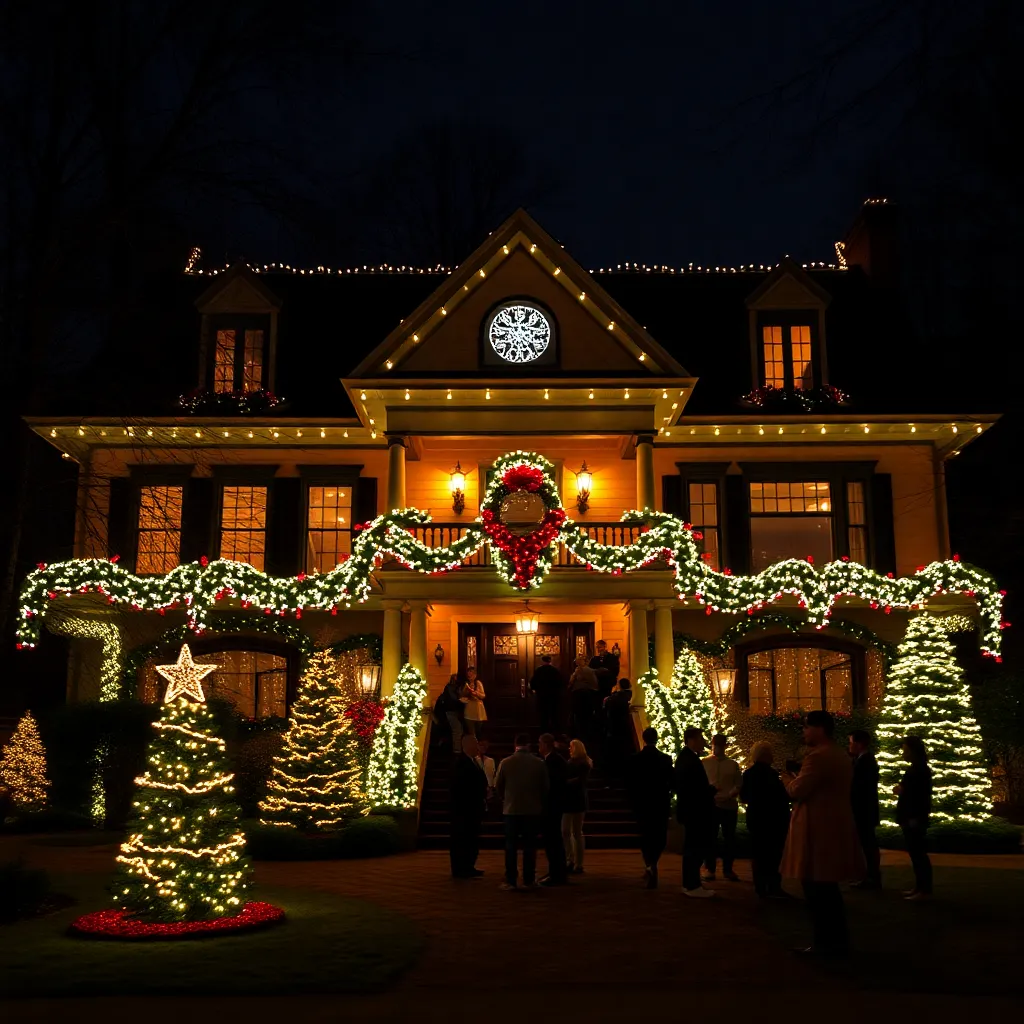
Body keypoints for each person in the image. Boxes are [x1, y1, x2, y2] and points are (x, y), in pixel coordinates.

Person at [781, 710, 864, 956]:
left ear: (820, 729)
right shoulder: (840, 755)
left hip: (816, 829)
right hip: (833, 825)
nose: (803, 732)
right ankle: (836, 941)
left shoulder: (818, 757)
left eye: (806, 727)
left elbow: (798, 790)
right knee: (828, 890)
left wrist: (787, 778)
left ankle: (825, 944)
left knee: (817, 890)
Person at [494, 732, 549, 890]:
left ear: (515, 745)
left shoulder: (506, 762)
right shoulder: (539, 763)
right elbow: (545, 787)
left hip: (511, 810)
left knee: (511, 846)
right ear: (529, 746)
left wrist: (506, 799)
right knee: (530, 846)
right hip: (532, 810)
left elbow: (498, 786)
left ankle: (511, 879)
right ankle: (529, 879)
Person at [740, 741, 791, 898]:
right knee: (774, 854)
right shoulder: (773, 775)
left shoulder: (748, 774)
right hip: (774, 819)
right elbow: (783, 797)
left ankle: (760, 886)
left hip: (756, 818)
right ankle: (774, 886)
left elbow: (744, 797)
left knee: (758, 853)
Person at [626, 726, 674, 888]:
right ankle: (652, 862)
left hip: (642, 804)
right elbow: (672, 782)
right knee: (659, 836)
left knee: (645, 835)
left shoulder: (635, 759)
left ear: (644, 738)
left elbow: (630, 784)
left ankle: (649, 864)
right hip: (660, 803)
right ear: (657, 739)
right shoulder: (665, 759)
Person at [674, 726, 717, 898]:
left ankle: (691, 883)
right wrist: (710, 791)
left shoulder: (686, 758)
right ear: (691, 740)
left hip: (691, 810)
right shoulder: (689, 760)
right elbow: (693, 789)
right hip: (695, 811)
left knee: (693, 847)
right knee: (694, 847)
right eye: (700, 739)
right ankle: (692, 884)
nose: (703, 742)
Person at [895, 735, 933, 900]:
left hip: (913, 816)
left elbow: (919, 795)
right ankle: (919, 887)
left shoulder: (919, 769)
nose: (903, 752)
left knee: (918, 854)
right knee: (916, 853)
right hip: (910, 815)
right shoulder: (916, 768)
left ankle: (924, 890)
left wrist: (902, 790)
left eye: (904, 749)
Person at [702, 734, 742, 882]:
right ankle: (710, 868)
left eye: (719, 745)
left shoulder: (732, 764)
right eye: (715, 745)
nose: (717, 748)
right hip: (711, 805)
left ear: (725, 746)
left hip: (729, 806)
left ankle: (728, 869)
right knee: (710, 837)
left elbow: (738, 783)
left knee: (729, 838)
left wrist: (730, 795)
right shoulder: (705, 763)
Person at [449, 735, 488, 879]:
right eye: (475, 744)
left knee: (471, 838)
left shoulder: (473, 761)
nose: (477, 747)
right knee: (462, 839)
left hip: (473, 808)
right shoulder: (460, 763)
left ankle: (469, 866)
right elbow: (460, 787)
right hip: (464, 809)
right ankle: (460, 868)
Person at [849, 728, 882, 889]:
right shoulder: (862, 760)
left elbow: (859, 787)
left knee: (868, 844)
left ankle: (872, 877)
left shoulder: (866, 761)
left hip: (864, 810)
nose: (850, 746)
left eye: (851, 742)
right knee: (867, 844)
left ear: (859, 744)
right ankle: (869, 876)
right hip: (865, 809)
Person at [538, 732, 570, 885]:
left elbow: (551, 784)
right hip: (555, 804)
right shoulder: (555, 759)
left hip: (552, 805)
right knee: (554, 840)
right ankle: (556, 872)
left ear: (545, 744)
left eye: (540, 744)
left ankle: (556, 873)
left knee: (552, 840)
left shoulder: (552, 761)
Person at [563, 738, 592, 874]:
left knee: (574, 831)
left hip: (574, 799)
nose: (569, 749)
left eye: (571, 747)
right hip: (574, 799)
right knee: (571, 831)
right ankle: (573, 860)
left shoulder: (582, 763)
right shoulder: (576, 762)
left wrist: (564, 782)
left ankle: (575, 861)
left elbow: (580, 780)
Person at [602, 678, 634, 779]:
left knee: (614, 752)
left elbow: (607, 707)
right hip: (624, 728)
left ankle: (613, 776)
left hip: (614, 727)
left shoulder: (616, 697)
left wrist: (610, 696)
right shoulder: (629, 696)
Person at [529, 655, 564, 733]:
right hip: (553, 697)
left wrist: (534, 690)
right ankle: (554, 733)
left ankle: (543, 733)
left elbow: (533, 683)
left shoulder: (539, 670)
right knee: (554, 715)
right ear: (550, 661)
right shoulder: (555, 671)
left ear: (542, 661)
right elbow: (560, 683)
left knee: (543, 716)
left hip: (542, 696)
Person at [569, 656, 600, 739]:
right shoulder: (590, 670)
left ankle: (579, 735)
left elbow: (571, 682)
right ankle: (587, 734)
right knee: (587, 716)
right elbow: (595, 683)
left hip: (580, 695)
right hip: (588, 695)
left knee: (579, 716)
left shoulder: (580, 670)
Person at [442, 674, 465, 753]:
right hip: (451, 710)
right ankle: (457, 750)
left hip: (453, 711)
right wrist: (460, 697)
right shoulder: (450, 687)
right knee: (457, 730)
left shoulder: (452, 687)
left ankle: (458, 749)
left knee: (458, 729)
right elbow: (454, 698)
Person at [461, 667, 487, 737]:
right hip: (469, 710)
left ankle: (478, 745)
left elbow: (483, 696)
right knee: (471, 732)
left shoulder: (478, 683)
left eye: (471, 673)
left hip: (478, 710)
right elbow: (462, 695)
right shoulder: (466, 684)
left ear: (475, 675)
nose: (469, 675)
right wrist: (466, 691)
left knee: (478, 730)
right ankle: (473, 745)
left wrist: (476, 693)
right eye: (468, 674)